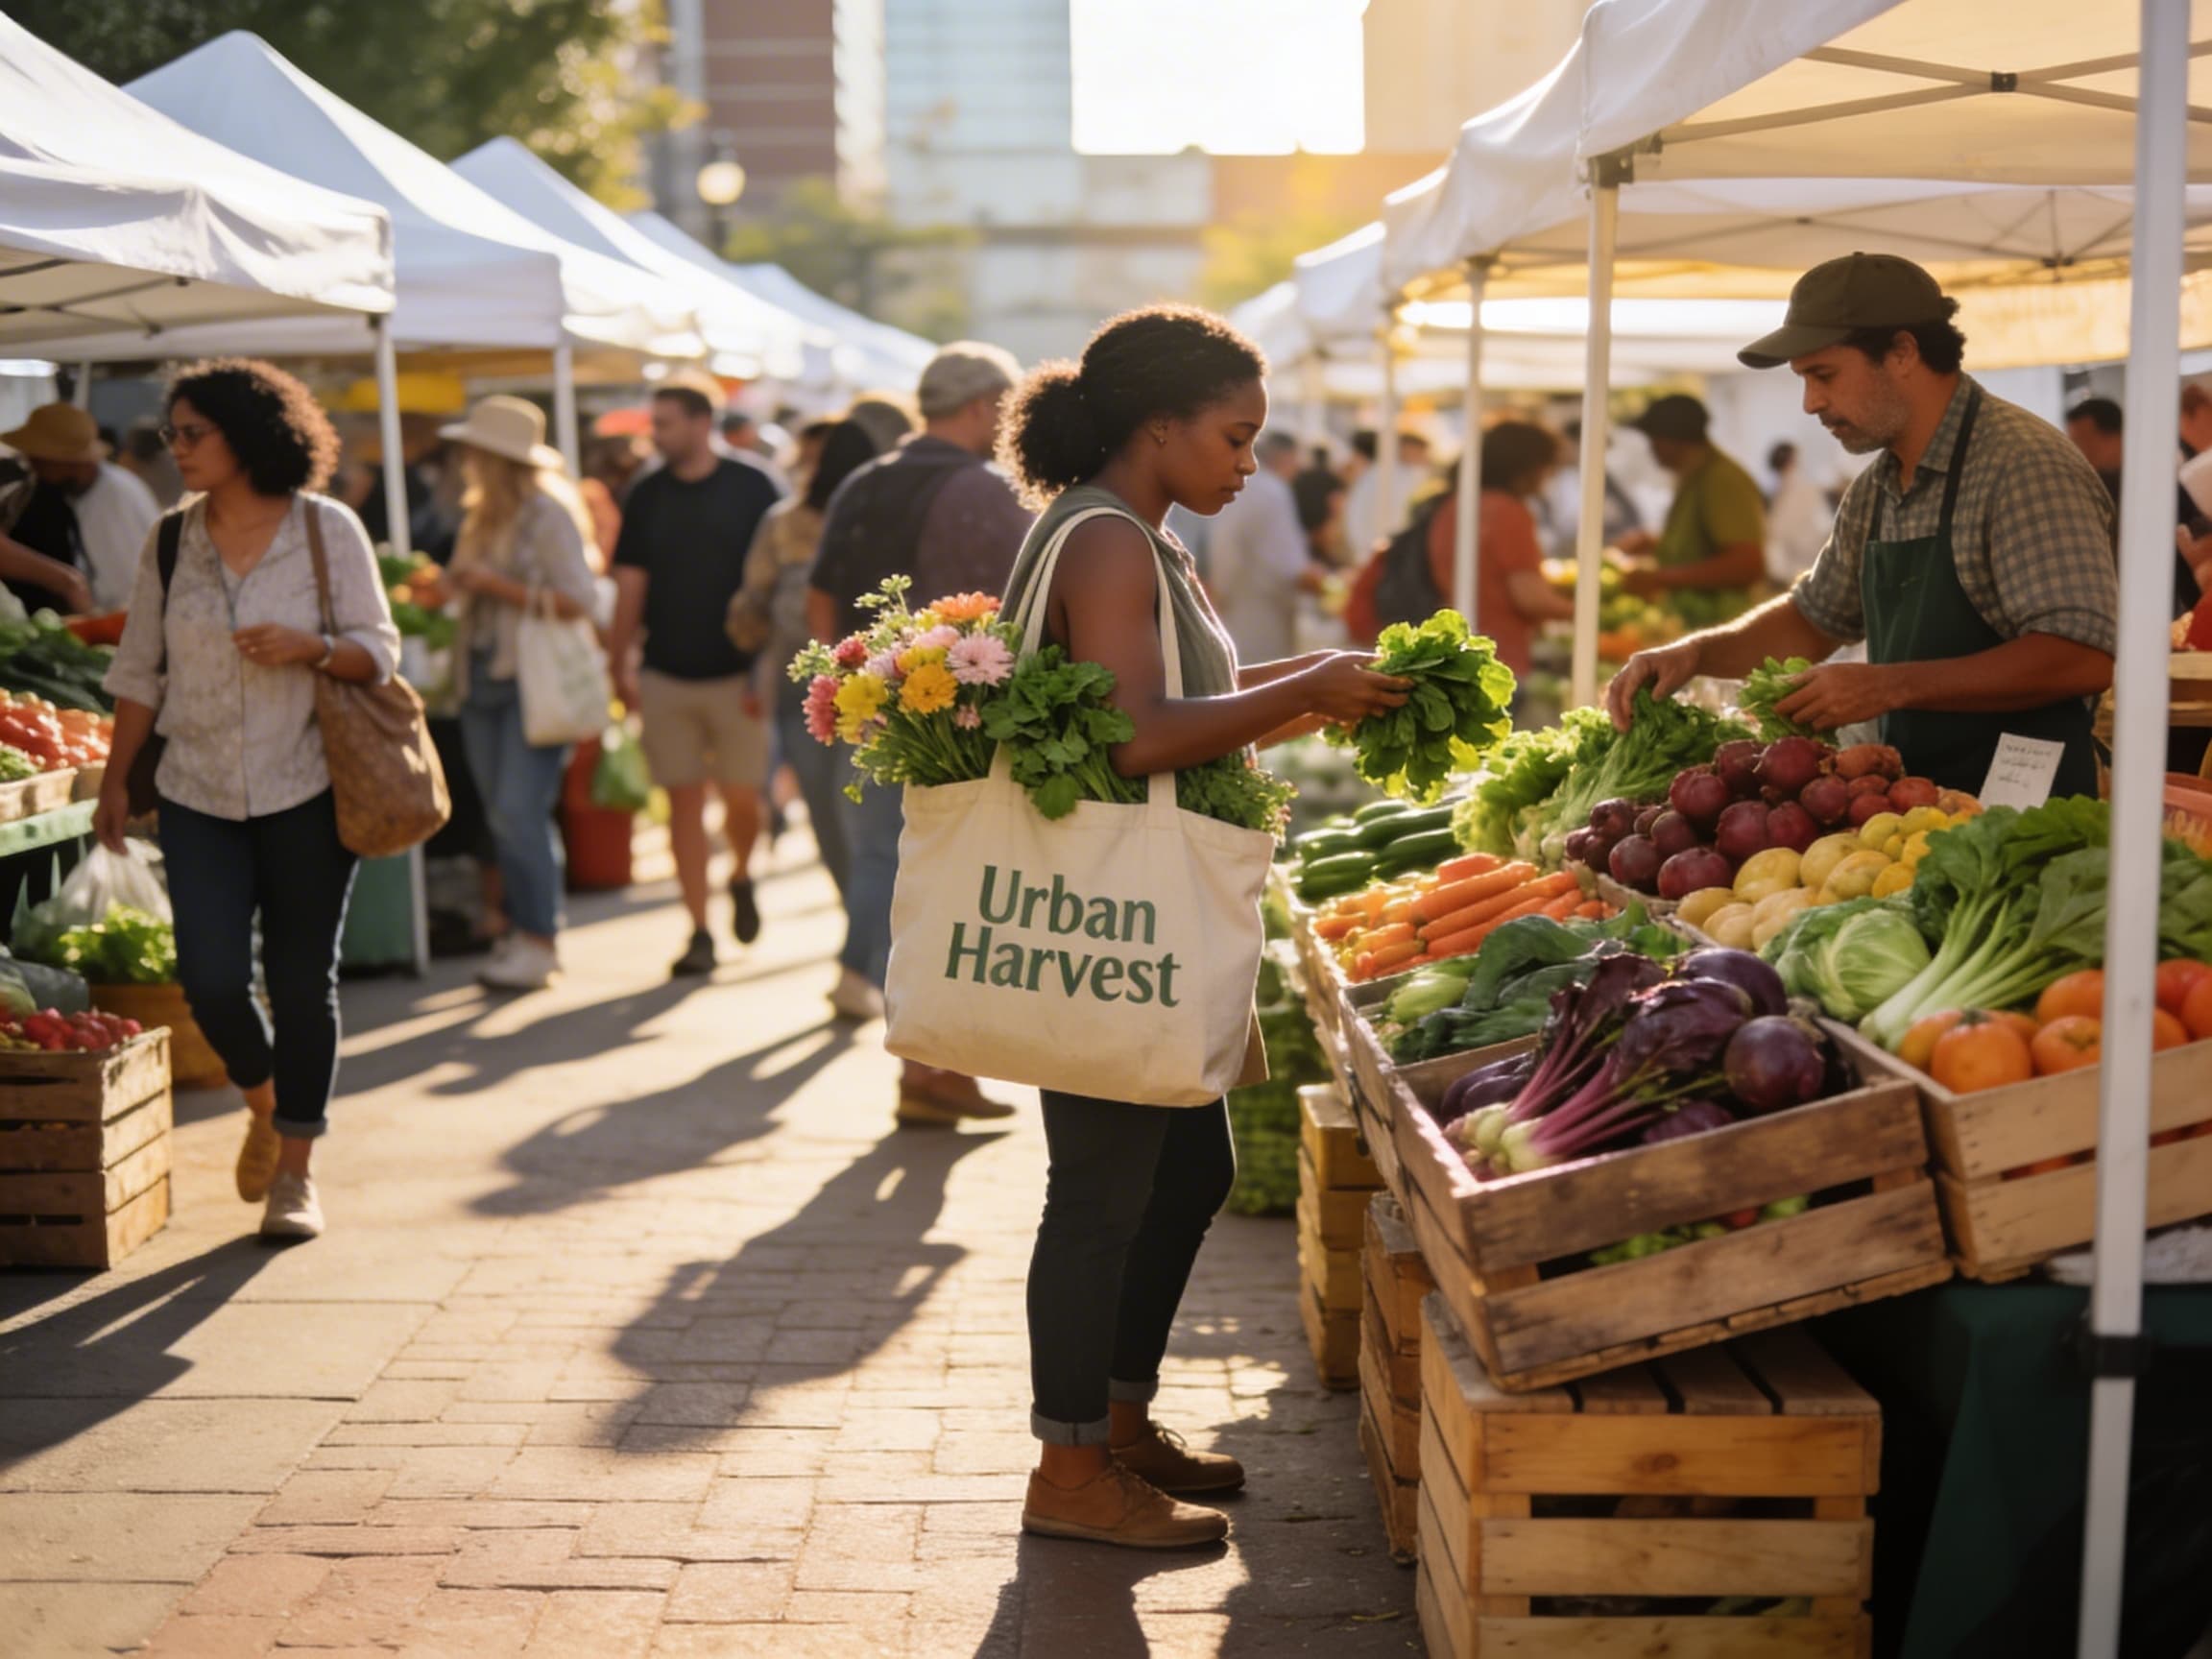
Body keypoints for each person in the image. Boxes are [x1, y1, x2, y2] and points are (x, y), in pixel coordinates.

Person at [994, 304, 1409, 1551]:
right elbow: (1135, 736)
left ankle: (1116, 1425)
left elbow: (1185, 700)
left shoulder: (1135, 537)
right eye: (1234, 439)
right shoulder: (1112, 542)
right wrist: (1313, 690)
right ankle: (1070, 1474)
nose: (1249, 465)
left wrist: (1313, 680)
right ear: (1158, 426)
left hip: (1146, 903)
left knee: (1189, 1170)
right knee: (1101, 1194)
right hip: (1114, 909)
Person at [1607, 252, 2117, 800]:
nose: (1810, 403)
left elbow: (2080, 657)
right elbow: (1812, 619)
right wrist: (1694, 655)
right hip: (1918, 801)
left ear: (1902, 352)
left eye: (1823, 376)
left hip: (2026, 807)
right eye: (1803, 379)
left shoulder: (2022, 465)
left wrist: (1888, 684)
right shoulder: (1877, 486)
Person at [97, 358, 401, 1242]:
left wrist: (313, 645)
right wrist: (117, 778)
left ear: (252, 434)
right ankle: (266, 1102)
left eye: (195, 433)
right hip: (193, 787)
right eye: (173, 435)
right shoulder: (169, 537)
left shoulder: (326, 528)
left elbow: (378, 653)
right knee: (212, 979)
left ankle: (296, 1171)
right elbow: (137, 669)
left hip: (308, 782)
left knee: (306, 985)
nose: (178, 449)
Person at [807, 342, 1034, 1125]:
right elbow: (1018, 614)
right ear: (980, 409)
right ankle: (930, 1066)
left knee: (902, 883)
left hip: (875, 714)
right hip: (954, 731)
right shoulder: (977, 489)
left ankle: (923, 1060)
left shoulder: (863, 481)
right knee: (954, 901)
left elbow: (821, 601)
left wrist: (844, 699)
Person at [408, 397, 603, 993]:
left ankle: (540, 938)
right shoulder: (480, 515)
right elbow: (465, 587)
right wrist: (442, 590)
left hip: (531, 684)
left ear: (495, 457)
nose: (464, 459)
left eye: (473, 450)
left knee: (520, 813)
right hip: (482, 678)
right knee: (502, 815)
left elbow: (581, 598)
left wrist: (493, 584)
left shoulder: (548, 514)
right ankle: (524, 933)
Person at [609, 373, 784, 977]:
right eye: (654, 423)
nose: (655, 434)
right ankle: (698, 930)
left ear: (701, 422)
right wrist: (619, 662)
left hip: (739, 674)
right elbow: (630, 582)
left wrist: (769, 667)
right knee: (682, 800)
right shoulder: (647, 493)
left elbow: (776, 582)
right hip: (666, 673)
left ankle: (740, 873)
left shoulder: (755, 485)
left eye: (666, 422)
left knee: (742, 800)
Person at [732, 417, 880, 1009]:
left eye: (823, 458)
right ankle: (864, 947)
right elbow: (751, 604)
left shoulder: (869, 517)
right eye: (809, 458)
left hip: (869, 695)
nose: (816, 472)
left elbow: (752, 605)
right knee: (833, 825)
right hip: (808, 693)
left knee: (857, 828)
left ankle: (860, 959)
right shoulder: (784, 523)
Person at [1352, 421, 1575, 674]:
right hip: (1500, 654)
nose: (1549, 476)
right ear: (1529, 466)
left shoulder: (1452, 505)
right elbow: (1529, 597)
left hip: (1455, 649)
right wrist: (1584, 612)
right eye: (1548, 466)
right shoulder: (1507, 512)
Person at [1609, 395, 1767, 612]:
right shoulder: (1696, 474)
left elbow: (1747, 564)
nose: (1651, 449)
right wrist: (1656, 544)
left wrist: (1660, 578)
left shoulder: (1722, 479)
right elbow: (1701, 547)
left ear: (1675, 440)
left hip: (1720, 622)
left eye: (1654, 440)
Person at [1204, 429, 1328, 662]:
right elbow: (1289, 567)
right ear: (1286, 458)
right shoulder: (1272, 491)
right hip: (1261, 615)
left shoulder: (1240, 487)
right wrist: (1326, 584)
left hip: (1236, 606)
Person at [0, 404, 110, 615]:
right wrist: (66, 581)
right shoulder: (27, 495)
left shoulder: (51, 496)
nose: (85, 469)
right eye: (78, 463)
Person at [1342, 427, 1432, 556]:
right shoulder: (1385, 476)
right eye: (1421, 452)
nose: (1424, 457)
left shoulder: (1398, 475)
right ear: (1405, 448)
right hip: (1380, 549)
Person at [1765, 440, 1832, 589]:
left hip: (1787, 568)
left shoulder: (1775, 493)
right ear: (1793, 460)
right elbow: (1824, 527)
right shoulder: (1804, 490)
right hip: (1801, 569)